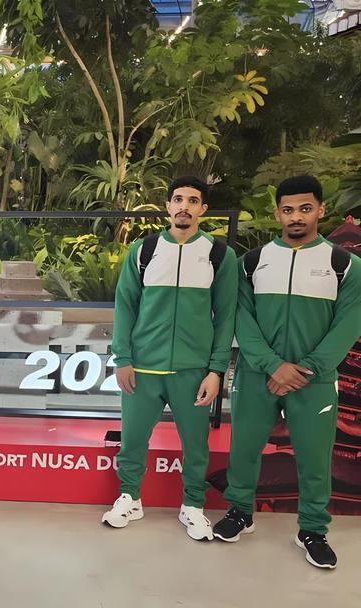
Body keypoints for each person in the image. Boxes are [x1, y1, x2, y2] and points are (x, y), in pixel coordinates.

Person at [212, 175, 361, 569]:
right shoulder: (251, 263)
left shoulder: (346, 265)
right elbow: (241, 319)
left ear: (321, 210)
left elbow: (348, 324)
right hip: (256, 375)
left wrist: (308, 368)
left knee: (314, 458)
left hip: (314, 381)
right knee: (244, 449)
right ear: (277, 213)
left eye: (305, 208)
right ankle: (239, 513)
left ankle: (312, 529)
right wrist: (273, 365)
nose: (296, 217)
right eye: (288, 209)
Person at [102, 176, 238, 540]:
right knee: (133, 439)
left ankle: (192, 505)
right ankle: (129, 497)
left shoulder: (219, 255)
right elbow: (125, 306)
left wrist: (216, 370)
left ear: (203, 209)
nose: (184, 207)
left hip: (193, 371)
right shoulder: (144, 251)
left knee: (196, 444)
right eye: (178, 199)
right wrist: (122, 358)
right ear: (167, 206)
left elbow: (226, 316)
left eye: (192, 201)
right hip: (142, 367)